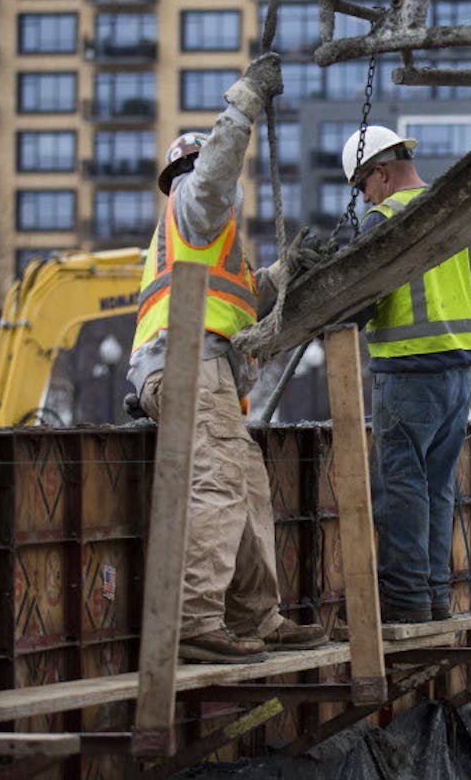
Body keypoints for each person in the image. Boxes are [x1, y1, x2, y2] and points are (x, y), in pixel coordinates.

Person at [129, 53, 328, 664]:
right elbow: (212, 175)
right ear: (185, 173)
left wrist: (282, 272)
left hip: (206, 371)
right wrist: (243, 106)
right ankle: (193, 620)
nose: (211, 175)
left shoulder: (211, 242)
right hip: (188, 366)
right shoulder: (195, 203)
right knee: (218, 484)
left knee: (246, 487)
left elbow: (240, 299)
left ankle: (255, 616)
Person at [342, 124, 471, 624]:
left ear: (381, 174)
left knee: (401, 489)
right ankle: (435, 596)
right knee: (437, 488)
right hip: (457, 375)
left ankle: (408, 602)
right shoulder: (455, 210)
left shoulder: (383, 219)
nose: (363, 197)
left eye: (361, 186)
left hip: (406, 372)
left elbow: (359, 306)